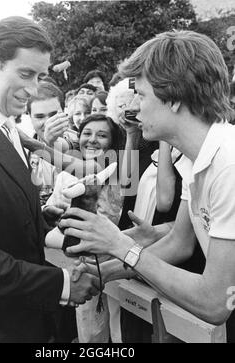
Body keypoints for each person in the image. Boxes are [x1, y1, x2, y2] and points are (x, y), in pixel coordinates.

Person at [60, 30, 235, 342]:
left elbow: (215, 301)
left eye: (141, 95)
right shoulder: (196, 159)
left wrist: (119, 245)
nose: (135, 109)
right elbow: (179, 243)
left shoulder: (228, 164)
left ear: (175, 97)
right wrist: (107, 272)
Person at [0, 16, 101, 343]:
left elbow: (1, 226)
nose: (32, 89)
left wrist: (43, 217)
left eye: (40, 76)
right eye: (25, 74)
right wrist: (63, 284)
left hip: (25, 323)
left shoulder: (10, 130)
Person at [46, 113, 123, 343]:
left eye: (101, 135)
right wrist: (56, 214)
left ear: (113, 142)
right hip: (76, 268)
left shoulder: (119, 176)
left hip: (113, 268)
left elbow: (112, 221)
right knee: (87, 335)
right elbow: (51, 214)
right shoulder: (65, 177)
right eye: (87, 134)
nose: (92, 140)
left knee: (116, 334)